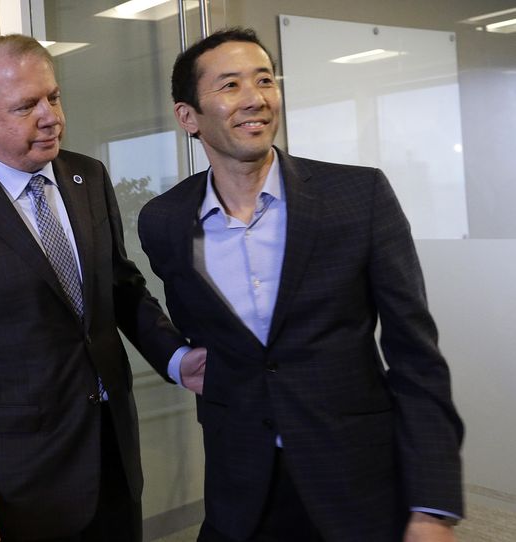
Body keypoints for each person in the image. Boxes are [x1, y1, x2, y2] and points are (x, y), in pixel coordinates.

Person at [137, 28, 464, 542]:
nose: (256, 99)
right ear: (188, 118)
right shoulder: (165, 221)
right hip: (240, 489)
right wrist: (179, 359)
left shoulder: (359, 196)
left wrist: (432, 505)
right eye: (230, 86)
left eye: (264, 80)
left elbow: (415, 356)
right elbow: (195, 325)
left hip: (357, 483)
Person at [0, 34, 205, 542]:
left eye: (54, 97)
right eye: (26, 106)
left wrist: (176, 357)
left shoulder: (87, 176)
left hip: (114, 448)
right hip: (24, 472)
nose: (50, 116)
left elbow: (121, 285)